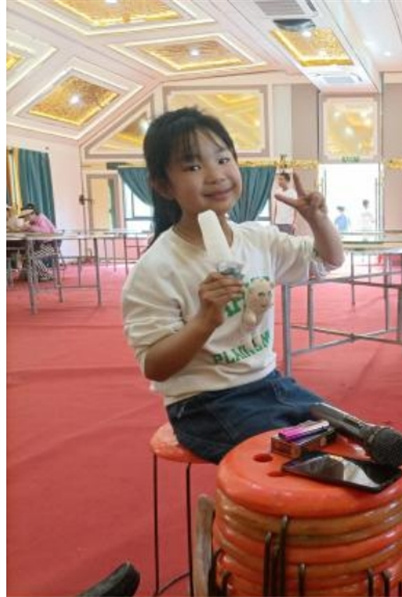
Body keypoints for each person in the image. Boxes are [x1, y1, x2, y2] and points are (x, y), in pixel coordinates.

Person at [121, 107, 344, 464]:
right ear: (163, 186)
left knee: (350, 438)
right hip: (204, 403)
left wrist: (318, 220)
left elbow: (327, 260)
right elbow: (155, 365)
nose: (216, 175)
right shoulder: (156, 267)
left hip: (270, 384)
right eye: (193, 167)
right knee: (300, 462)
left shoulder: (258, 239)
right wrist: (205, 320)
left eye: (223, 159)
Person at [19, 203, 59, 281]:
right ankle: (31, 274)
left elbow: (45, 232)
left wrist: (30, 228)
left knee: (32, 257)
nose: (26, 219)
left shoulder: (41, 219)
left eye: (27, 216)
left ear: (33, 214)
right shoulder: (33, 222)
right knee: (27, 255)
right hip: (42, 245)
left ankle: (47, 274)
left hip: (51, 245)